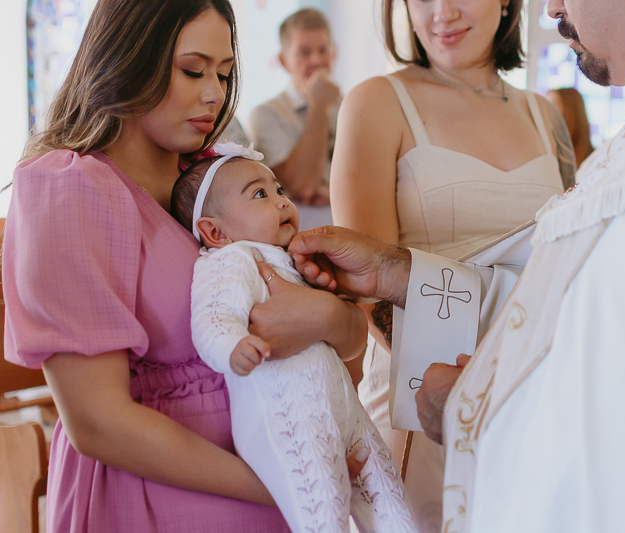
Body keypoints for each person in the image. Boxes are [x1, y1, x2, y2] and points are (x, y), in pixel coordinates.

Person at [287, 0, 625, 531]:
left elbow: (619, 387)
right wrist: (399, 275)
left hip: (475, 383)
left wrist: (476, 399)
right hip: (419, 386)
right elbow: (572, 280)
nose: (551, 5)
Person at [3, 1, 367, 531]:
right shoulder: (71, 187)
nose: (214, 93)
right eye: (192, 70)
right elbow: (98, 423)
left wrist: (333, 319)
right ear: (126, 58)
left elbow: (350, 333)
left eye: (224, 73)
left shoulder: (222, 179)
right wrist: (286, 484)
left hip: (285, 470)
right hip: (164, 492)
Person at [329, 0, 575, 529]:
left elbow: (565, 260)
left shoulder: (545, 114)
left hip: (527, 383)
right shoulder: (377, 102)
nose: (442, 13)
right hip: (423, 389)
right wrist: (465, 386)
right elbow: (369, 287)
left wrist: (518, 379)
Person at [170, 142, 417, 533]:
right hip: (292, 416)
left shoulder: (291, 258)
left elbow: (347, 329)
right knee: (322, 509)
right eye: (260, 194)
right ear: (215, 232)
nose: (282, 202)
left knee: (389, 495)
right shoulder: (233, 260)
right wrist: (234, 346)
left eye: (279, 190)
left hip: (345, 412)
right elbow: (213, 318)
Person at [248, 8, 339, 230]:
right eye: (304, 52)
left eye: (323, 50)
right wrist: (319, 105)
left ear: (333, 53)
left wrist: (335, 193)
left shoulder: (353, 106)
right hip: (305, 237)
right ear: (284, 61)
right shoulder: (265, 115)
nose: (317, 60)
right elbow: (302, 187)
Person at [545, 87, 594, 167]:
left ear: (571, 112)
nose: (545, 111)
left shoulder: (594, 160)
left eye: (553, 104)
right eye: (545, 105)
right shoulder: (545, 152)